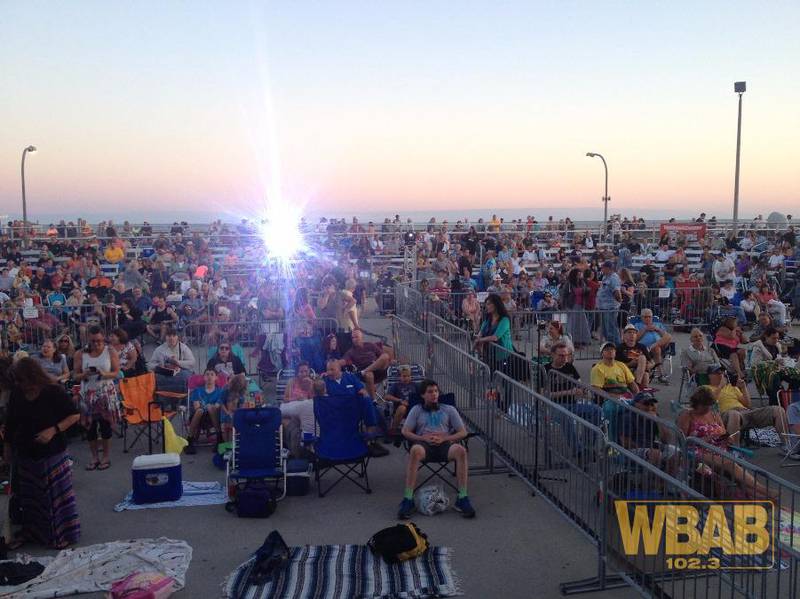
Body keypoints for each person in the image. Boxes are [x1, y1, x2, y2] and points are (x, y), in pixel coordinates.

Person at [4, 358, 80, 549]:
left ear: (32, 377)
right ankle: (35, 533)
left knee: (55, 498)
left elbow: (74, 415)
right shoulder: (17, 394)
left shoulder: (52, 391)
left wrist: (54, 429)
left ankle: (61, 535)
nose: (21, 385)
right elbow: (11, 422)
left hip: (52, 453)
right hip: (26, 452)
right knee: (31, 499)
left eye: (22, 381)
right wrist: (7, 448)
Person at [677, 387, 778, 499]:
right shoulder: (687, 415)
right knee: (729, 464)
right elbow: (683, 440)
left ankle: (761, 495)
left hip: (719, 448)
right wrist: (708, 437)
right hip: (697, 450)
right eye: (706, 406)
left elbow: (723, 431)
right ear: (698, 403)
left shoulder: (713, 413)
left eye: (709, 405)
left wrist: (726, 438)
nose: (708, 409)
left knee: (734, 468)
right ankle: (764, 491)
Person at [397, 379, 475, 519]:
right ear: (422, 395)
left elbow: (463, 432)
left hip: (444, 444)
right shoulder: (416, 410)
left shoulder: (449, 409)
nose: (434, 394)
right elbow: (405, 431)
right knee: (415, 451)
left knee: (461, 451)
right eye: (430, 392)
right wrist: (423, 438)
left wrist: (445, 438)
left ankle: (462, 497)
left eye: (436, 391)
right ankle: (408, 499)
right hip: (424, 445)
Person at [702, 364, 791, 452]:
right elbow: (709, 402)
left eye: (722, 372)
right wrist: (720, 387)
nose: (721, 374)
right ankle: (735, 452)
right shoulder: (705, 388)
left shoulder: (732, 388)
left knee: (778, 410)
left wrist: (743, 387)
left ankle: (788, 446)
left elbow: (748, 404)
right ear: (710, 376)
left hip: (746, 412)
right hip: (726, 415)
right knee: (734, 414)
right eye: (717, 372)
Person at [74, 325, 120, 471]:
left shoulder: (110, 351)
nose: (96, 344)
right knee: (90, 427)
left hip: (105, 392)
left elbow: (116, 372)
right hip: (88, 393)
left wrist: (103, 374)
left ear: (103, 338)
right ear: (88, 339)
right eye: (93, 341)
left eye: (99, 341)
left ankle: (105, 457)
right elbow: (75, 376)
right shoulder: (80, 354)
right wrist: (85, 374)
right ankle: (94, 457)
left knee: (106, 425)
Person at [322, 359, 388, 457]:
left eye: (332, 369)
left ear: (339, 369)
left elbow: (363, 391)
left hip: (355, 410)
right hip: (337, 412)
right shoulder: (325, 382)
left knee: (367, 400)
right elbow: (323, 398)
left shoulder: (350, 377)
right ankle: (373, 437)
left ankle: (371, 436)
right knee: (371, 406)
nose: (330, 372)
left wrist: (363, 395)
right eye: (328, 370)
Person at [619, 391, 679, 472]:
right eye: (646, 404)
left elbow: (666, 440)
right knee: (655, 454)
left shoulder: (654, 416)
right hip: (631, 450)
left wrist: (658, 421)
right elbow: (625, 443)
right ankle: (652, 481)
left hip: (649, 446)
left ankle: (666, 482)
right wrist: (647, 449)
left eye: (652, 404)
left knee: (675, 452)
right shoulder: (629, 417)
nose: (650, 407)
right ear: (636, 404)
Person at [342, 329, 391, 399]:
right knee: (369, 374)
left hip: (379, 370)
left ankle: (364, 371)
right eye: (353, 338)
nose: (354, 339)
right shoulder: (351, 351)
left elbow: (383, 355)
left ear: (362, 338)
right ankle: (373, 401)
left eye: (356, 337)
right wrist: (334, 363)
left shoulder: (370, 345)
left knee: (385, 356)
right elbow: (342, 361)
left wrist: (378, 361)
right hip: (367, 374)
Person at [185, 368, 223, 454]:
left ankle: (219, 437)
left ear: (216, 377)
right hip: (199, 417)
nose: (209, 376)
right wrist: (208, 406)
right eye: (207, 374)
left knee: (210, 408)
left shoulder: (220, 391)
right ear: (204, 377)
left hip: (214, 417)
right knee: (200, 411)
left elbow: (217, 406)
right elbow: (196, 406)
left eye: (212, 374)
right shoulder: (197, 390)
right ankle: (190, 439)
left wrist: (209, 407)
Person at [473, 293, 513, 373]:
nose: (486, 306)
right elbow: (480, 332)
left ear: (496, 305)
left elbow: (495, 337)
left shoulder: (504, 320)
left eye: (488, 304)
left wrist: (480, 340)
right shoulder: (488, 319)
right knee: (489, 377)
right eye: (486, 304)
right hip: (489, 353)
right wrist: (477, 340)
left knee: (503, 379)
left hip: (503, 354)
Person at [148, 327, 196, 392]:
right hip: (165, 374)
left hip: (180, 373)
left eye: (174, 336)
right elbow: (150, 365)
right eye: (169, 336)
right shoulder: (159, 349)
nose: (171, 338)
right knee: (153, 378)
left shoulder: (183, 348)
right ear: (165, 337)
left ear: (177, 337)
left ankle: (183, 398)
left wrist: (178, 363)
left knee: (186, 377)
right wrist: (159, 365)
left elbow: (192, 362)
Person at [633, 309, 673, 383]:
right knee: (657, 349)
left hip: (660, 346)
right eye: (645, 317)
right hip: (644, 349)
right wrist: (645, 329)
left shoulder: (658, 324)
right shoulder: (637, 325)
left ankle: (652, 346)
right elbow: (635, 339)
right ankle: (661, 375)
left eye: (649, 317)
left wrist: (657, 329)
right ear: (641, 317)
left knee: (669, 336)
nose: (648, 319)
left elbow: (666, 336)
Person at [616, 324, 652, 388]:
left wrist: (648, 365)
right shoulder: (619, 348)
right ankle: (640, 391)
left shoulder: (642, 347)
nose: (632, 334)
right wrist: (630, 364)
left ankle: (638, 386)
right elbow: (616, 365)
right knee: (644, 372)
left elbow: (652, 362)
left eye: (634, 333)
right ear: (624, 335)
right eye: (629, 332)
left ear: (636, 335)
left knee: (645, 371)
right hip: (627, 371)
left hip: (640, 370)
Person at [385, 365, 418, 435]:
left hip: (414, 407)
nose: (406, 378)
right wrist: (400, 400)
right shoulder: (396, 385)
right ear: (400, 377)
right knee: (402, 408)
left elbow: (423, 394)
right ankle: (393, 430)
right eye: (404, 376)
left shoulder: (415, 385)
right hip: (401, 408)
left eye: (408, 376)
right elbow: (387, 396)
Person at [596, 261, 622, 345]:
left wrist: (619, 301)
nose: (602, 269)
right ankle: (609, 347)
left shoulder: (613, 278)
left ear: (608, 268)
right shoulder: (605, 277)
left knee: (611, 329)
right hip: (603, 307)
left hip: (610, 308)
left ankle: (617, 348)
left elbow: (616, 292)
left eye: (603, 268)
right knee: (605, 330)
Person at [219, 373, 248, 442]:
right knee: (224, 429)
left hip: (235, 412)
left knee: (232, 429)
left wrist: (237, 413)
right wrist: (227, 412)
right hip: (225, 412)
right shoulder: (226, 389)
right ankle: (226, 443)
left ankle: (232, 444)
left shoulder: (241, 392)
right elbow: (221, 402)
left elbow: (241, 404)